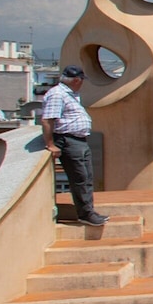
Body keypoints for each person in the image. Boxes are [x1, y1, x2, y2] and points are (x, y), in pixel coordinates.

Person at [42, 65, 108, 226]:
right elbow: (47, 119)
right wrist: (50, 144)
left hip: (80, 140)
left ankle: (89, 211)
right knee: (80, 178)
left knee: (87, 178)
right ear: (77, 80)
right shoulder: (58, 94)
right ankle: (85, 214)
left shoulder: (70, 95)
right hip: (68, 140)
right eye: (82, 80)